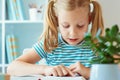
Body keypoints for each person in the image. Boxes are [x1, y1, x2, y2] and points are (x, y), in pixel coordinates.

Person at [7, 0, 104, 79]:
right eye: (65, 26)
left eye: (80, 26)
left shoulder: (99, 45)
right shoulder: (51, 43)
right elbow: (12, 67)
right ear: (56, 20)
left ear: (89, 19)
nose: (73, 33)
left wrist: (89, 73)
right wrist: (45, 70)